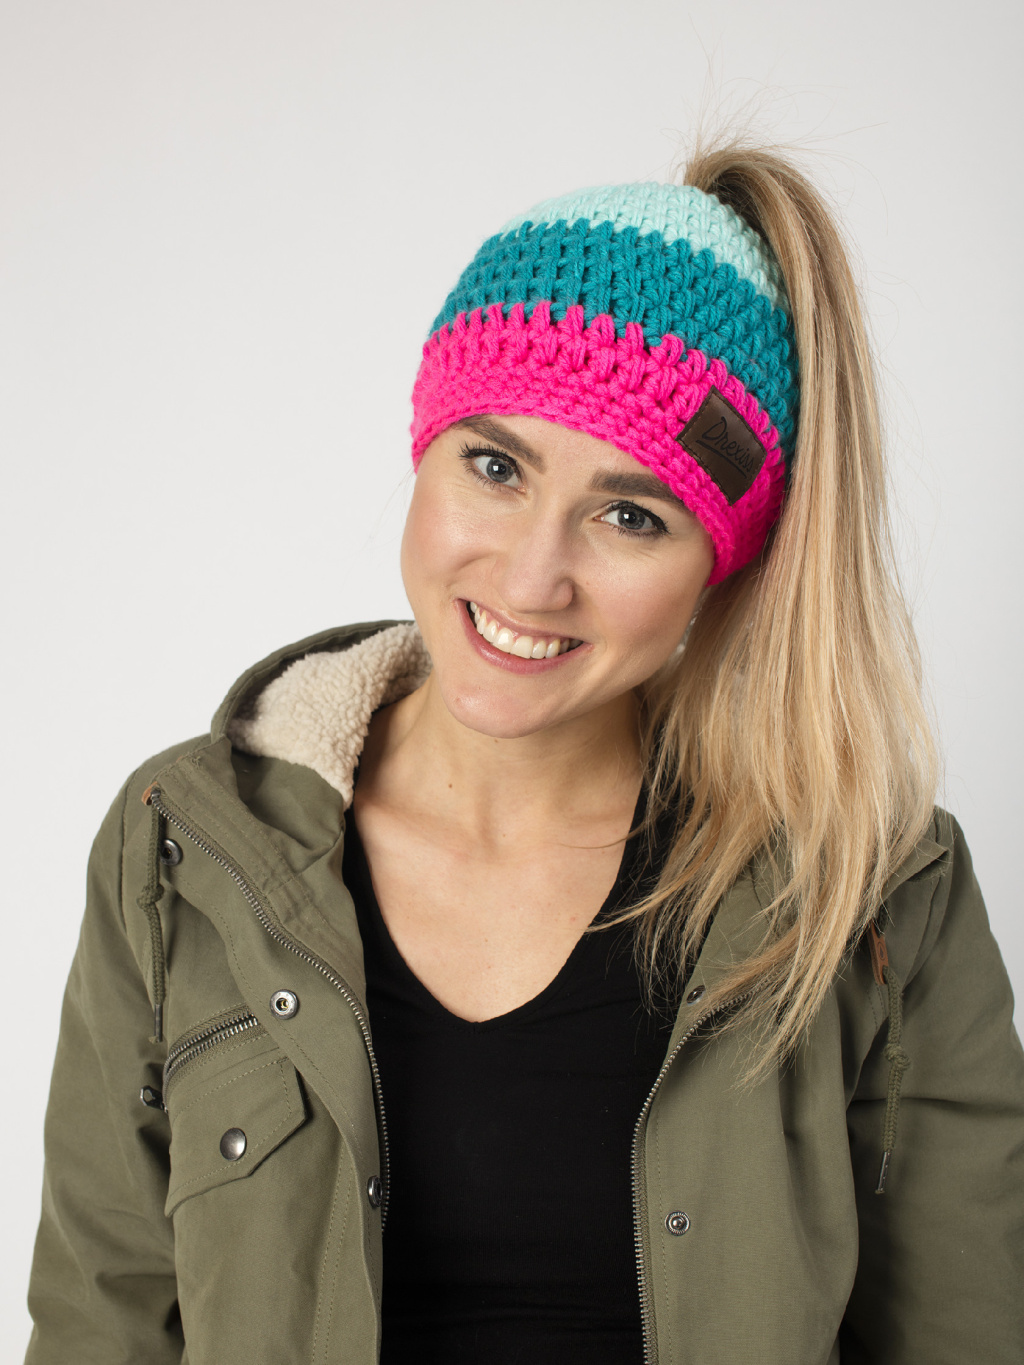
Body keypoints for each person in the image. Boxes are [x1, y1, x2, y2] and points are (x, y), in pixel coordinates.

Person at [24, 140, 1024, 1365]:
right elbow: (102, 1323)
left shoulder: (873, 890)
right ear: (425, 448)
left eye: (629, 515)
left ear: (722, 563)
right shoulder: (185, 846)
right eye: (495, 467)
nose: (532, 576)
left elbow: (968, 1336)